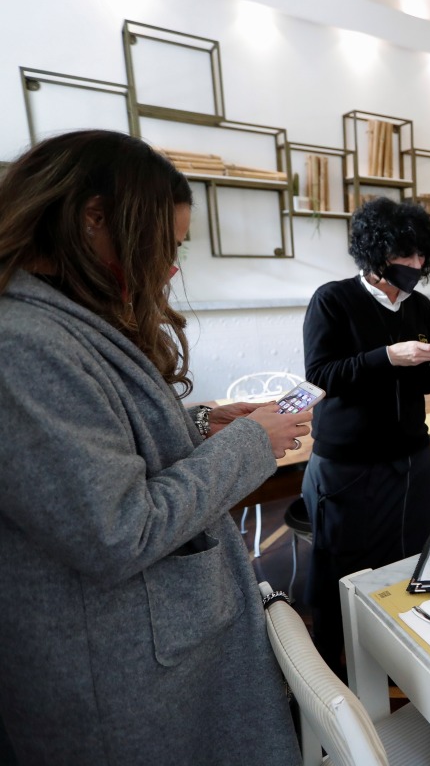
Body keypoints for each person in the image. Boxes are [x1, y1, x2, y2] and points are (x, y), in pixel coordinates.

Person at [0, 130, 306, 763]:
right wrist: (250, 442)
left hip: (154, 643)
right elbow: (115, 526)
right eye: (164, 245)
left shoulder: (63, 323)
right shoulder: (24, 344)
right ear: (95, 220)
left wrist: (198, 424)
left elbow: (100, 442)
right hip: (119, 671)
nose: (169, 268)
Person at [302, 197, 430, 669]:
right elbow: (321, 375)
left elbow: (419, 384)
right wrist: (387, 356)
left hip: (409, 458)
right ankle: (333, 676)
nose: (414, 265)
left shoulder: (420, 306)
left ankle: (400, 656)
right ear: (374, 253)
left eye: (421, 257)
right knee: (341, 571)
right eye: (404, 256)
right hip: (347, 463)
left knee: (410, 560)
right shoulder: (333, 300)